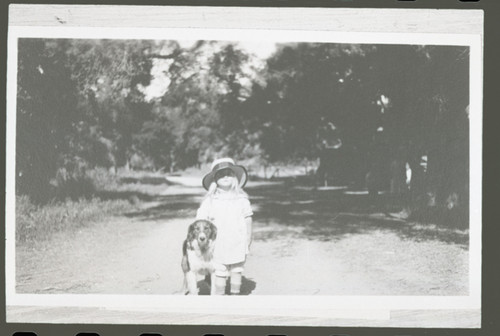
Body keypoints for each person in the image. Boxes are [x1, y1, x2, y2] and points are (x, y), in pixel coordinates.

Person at [196, 158, 253, 295]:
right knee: (219, 269)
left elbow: (248, 220)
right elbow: (201, 220)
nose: (225, 176)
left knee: (236, 269)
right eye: (221, 174)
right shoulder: (210, 201)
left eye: (229, 173)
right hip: (218, 243)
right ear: (215, 180)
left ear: (235, 177)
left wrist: (248, 238)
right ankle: (220, 297)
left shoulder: (241, 199)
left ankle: (235, 295)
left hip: (237, 241)